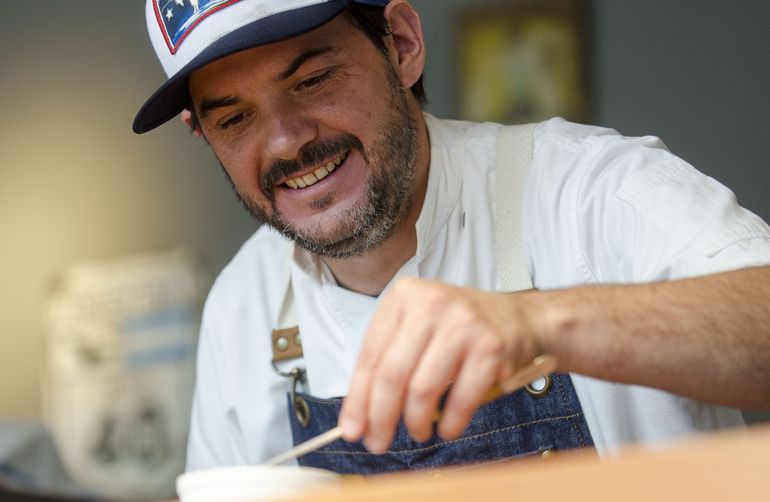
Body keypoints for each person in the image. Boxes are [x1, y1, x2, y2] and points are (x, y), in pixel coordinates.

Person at [133, 0, 770, 473]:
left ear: (402, 44)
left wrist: (542, 324)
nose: (286, 142)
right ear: (202, 134)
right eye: (235, 117)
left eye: (312, 80)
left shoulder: (592, 191)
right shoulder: (243, 305)